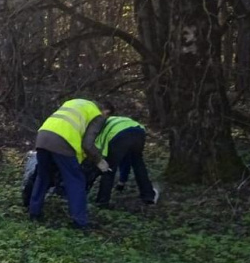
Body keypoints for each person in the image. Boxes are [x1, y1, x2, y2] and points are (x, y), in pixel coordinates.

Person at [28, 98, 112, 229]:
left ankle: (34, 212)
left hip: (43, 137)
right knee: (76, 180)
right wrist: (99, 160)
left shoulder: (74, 102)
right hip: (63, 142)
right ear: (105, 111)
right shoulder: (97, 114)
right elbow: (87, 144)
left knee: (43, 176)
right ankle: (80, 222)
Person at [91, 115, 159, 207]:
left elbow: (98, 155)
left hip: (119, 135)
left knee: (109, 168)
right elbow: (125, 160)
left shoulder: (99, 130)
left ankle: (102, 201)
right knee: (138, 164)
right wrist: (122, 182)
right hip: (139, 132)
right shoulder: (116, 119)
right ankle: (148, 196)